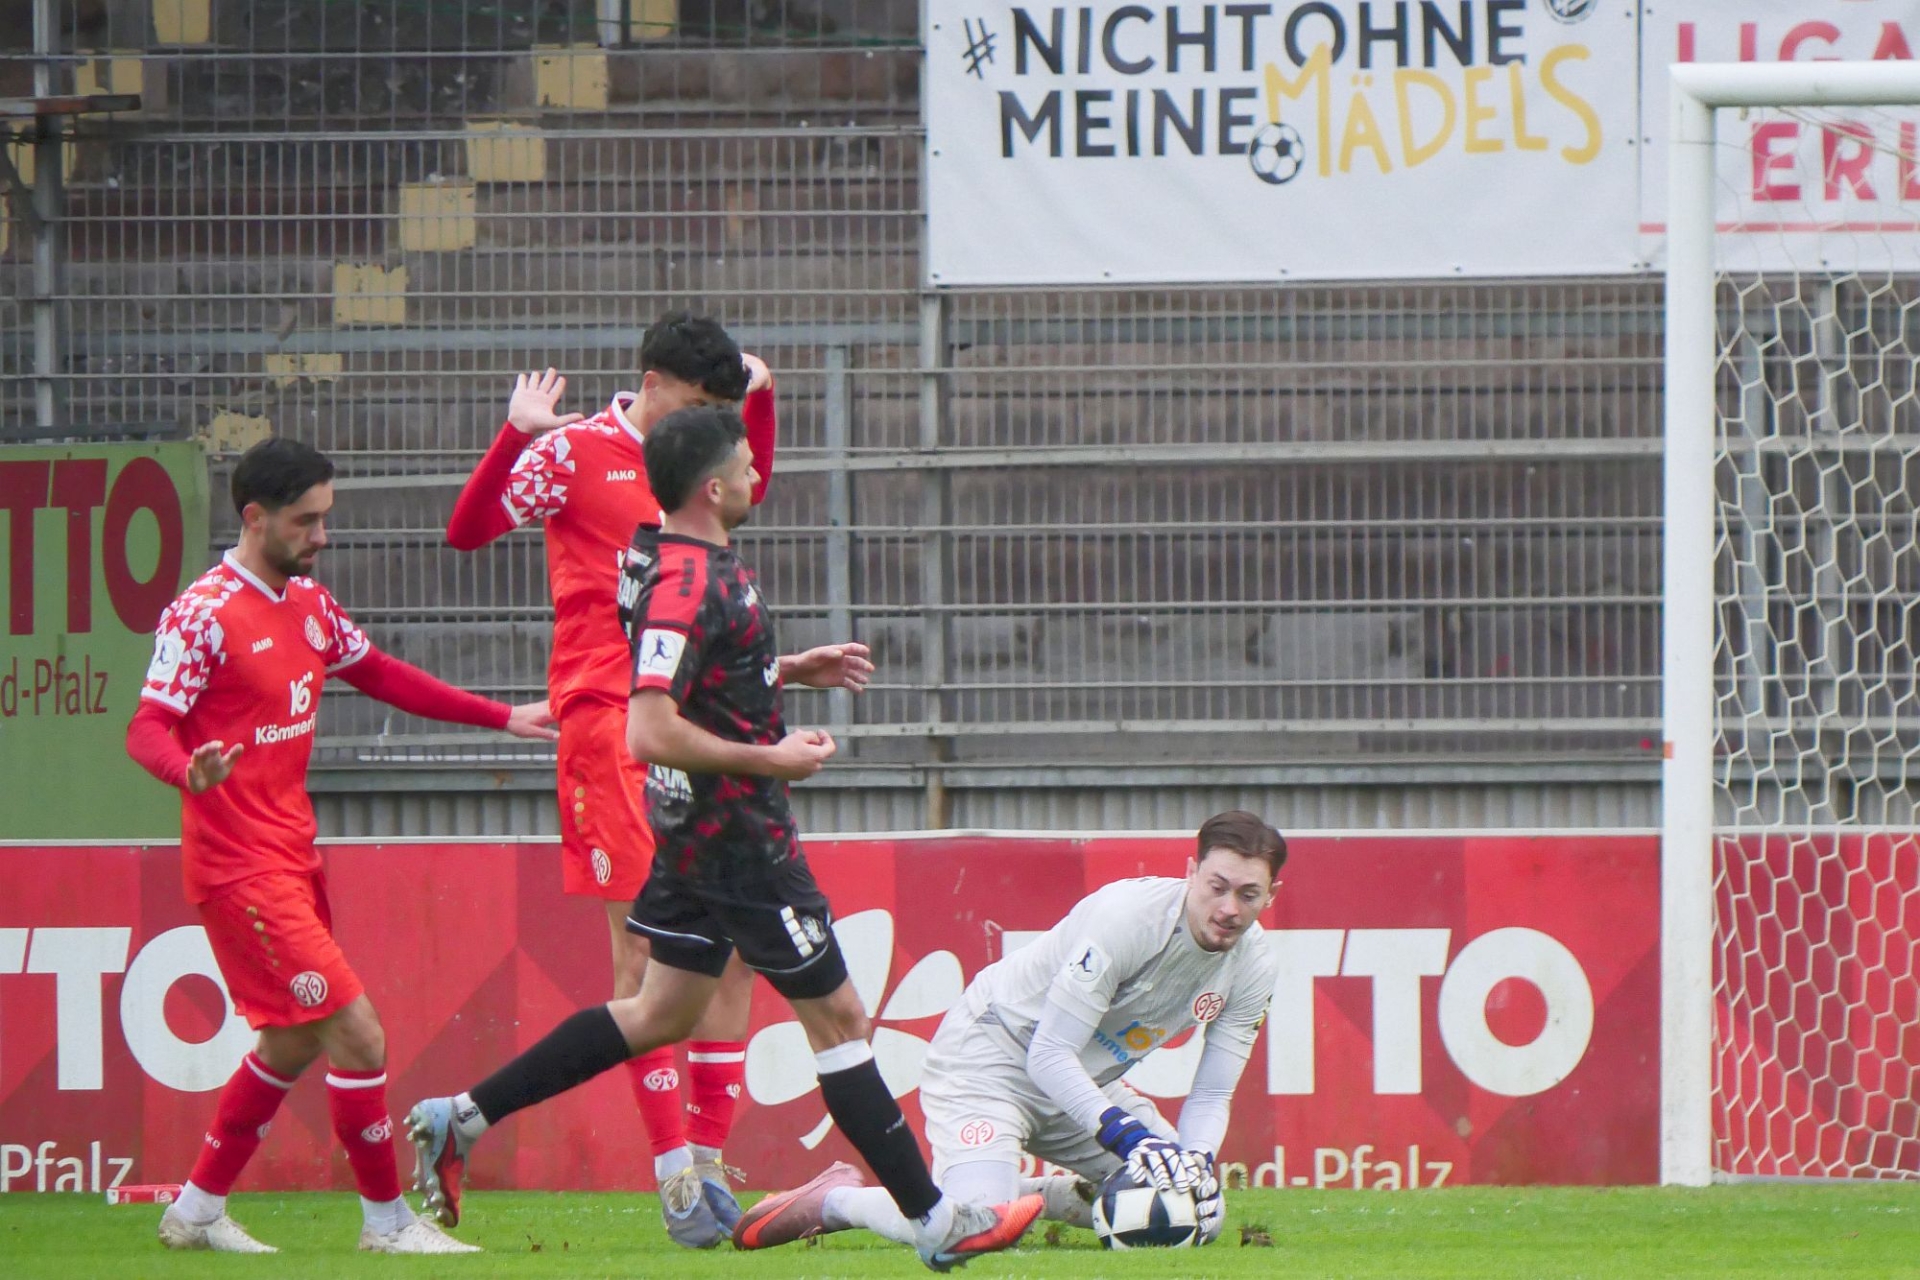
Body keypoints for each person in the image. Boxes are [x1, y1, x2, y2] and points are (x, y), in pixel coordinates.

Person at [407, 406, 1042, 1271]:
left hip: (694, 838)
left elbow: (692, 674)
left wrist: (785, 670)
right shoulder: (682, 583)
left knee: (656, 1012)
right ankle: (937, 1221)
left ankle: (461, 1118)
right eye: (745, 464)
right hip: (738, 842)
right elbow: (648, 727)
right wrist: (771, 758)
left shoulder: (669, 555)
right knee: (841, 1020)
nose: (756, 475)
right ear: (711, 487)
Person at [124, 438, 558, 1255]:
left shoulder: (311, 605)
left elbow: (384, 674)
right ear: (255, 518)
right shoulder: (202, 613)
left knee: (292, 1039)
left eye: (326, 517)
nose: (322, 535)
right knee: (358, 1033)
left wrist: (504, 716)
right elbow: (146, 726)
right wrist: (189, 772)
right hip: (237, 868)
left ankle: (196, 1211)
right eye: (306, 520)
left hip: (292, 858)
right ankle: (386, 1225)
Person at [442, 313, 775, 1245]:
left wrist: (766, 398)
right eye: (702, 405)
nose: (713, 429)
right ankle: (675, 1178)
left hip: (698, 715)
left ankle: (707, 1161)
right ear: (653, 383)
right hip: (610, 720)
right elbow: (467, 532)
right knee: (643, 951)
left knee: (736, 947)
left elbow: (746, 494)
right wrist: (514, 436)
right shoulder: (574, 452)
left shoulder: (698, 462)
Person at [735, 811, 1285, 1253]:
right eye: (1217, 887)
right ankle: (839, 1202)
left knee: (1199, 1213)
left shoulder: (1256, 964)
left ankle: (1026, 1198)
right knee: (973, 1229)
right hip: (990, 1059)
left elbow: (1213, 1092)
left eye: (1248, 895)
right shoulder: (1128, 918)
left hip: (1077, 1084)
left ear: (1271, 895)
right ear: (1191, 872)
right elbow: (1048, 1053)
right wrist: (1129, 1138)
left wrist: (1197, 1158)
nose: (1228, 909)